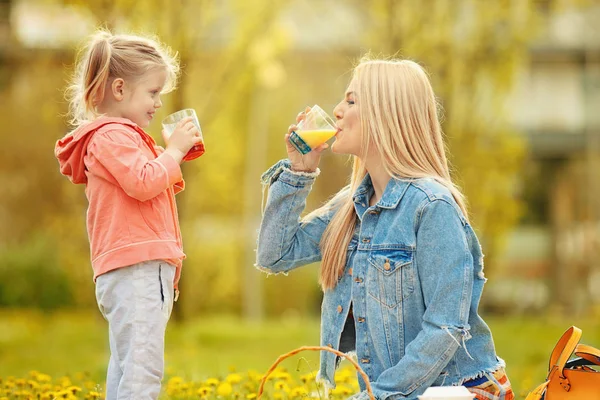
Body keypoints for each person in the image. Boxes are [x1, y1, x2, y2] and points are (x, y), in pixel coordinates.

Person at [256, 58, 514, 400]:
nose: (336, 110)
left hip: (459, 390)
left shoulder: (431, 206)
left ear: (384, 114)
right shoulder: (351, 208)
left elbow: (446, 328)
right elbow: (275, 254)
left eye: (351, 101)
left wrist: (375, 396)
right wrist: (298, 171)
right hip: (399, 393)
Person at [54, 29, 202, 400]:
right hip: (137, 268)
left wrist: (173, 153)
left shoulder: (123, 138)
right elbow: (143, 181)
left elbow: (149, 188)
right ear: (119, 90)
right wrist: (173, 154)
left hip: (139, 267)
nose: (158, 104)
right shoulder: (112, 137)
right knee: (141, 370)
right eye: (153, 93)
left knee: (127, 367)